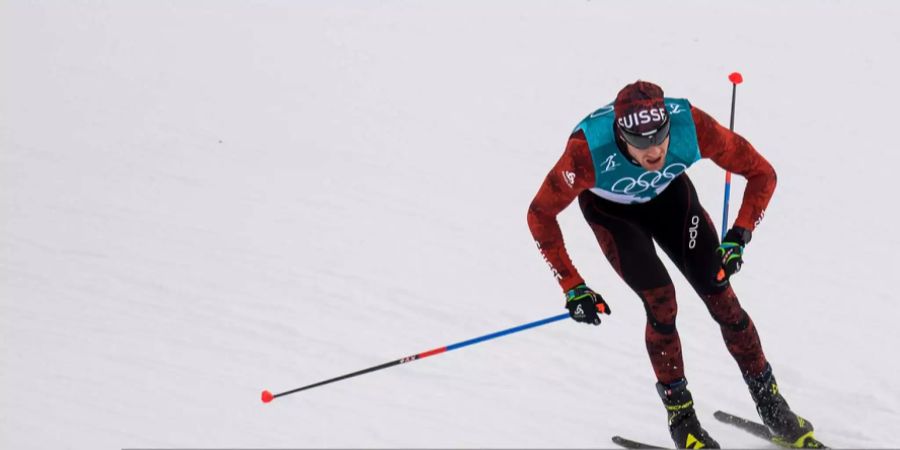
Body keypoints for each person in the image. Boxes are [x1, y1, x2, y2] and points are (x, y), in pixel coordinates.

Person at [527, 80, 817, 449]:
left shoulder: (692, 127)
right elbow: (539, 214)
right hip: (612, 212)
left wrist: (739, 235)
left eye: (661, 138)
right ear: (620, 135)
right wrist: (573, 287)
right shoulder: (586, 153)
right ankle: (683, 422)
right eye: (641, 143)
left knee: (721, 295)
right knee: (662, 301)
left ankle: (773, 406)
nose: (655, 151)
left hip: (670, 200)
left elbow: (763, 173)